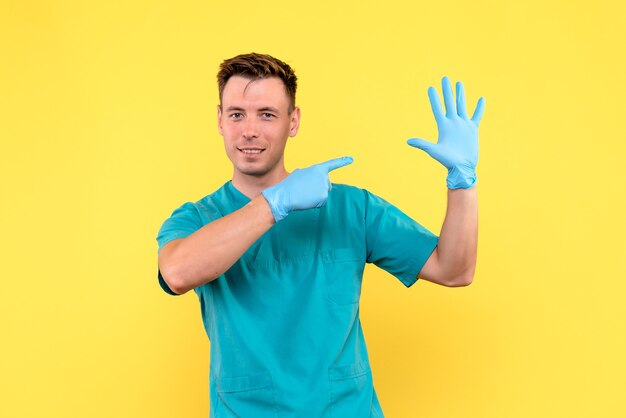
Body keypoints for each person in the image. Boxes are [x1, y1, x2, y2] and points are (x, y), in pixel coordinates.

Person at [156, 52, 485, 417]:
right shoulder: (197, 218)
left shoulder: (351, 209)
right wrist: (275, 204)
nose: (249, 130)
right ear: (219, 119)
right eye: (237, 114)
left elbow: (454, 270)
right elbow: (176, 273)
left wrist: (463, 182)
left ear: (293, 121)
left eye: (267, 114)